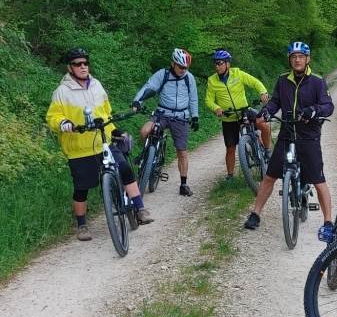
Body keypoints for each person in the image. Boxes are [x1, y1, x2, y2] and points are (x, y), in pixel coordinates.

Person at [46, 48, 152, 241]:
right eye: (78, 64)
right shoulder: (62, 92)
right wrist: (63, 123)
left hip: (103, 141)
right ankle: (82, 225)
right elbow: (53, 116)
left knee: (125, 169)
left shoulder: (97, 86)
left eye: (85, 63)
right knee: (82, 187)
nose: (83, 67)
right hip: (79, 147)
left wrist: (115, 130)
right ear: (70, 68)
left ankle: (140, 208)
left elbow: (106, 114)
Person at [244, 41, 335, 239]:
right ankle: (255, 213)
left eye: (301, 56)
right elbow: (275, 101)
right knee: (270, 176)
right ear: (289, 60)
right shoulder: (283, 80)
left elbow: (328, 106)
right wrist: (266, 112)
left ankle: (328, 222)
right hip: (286, 134)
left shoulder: (317, 81)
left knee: (319, 180)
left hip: (308, 136)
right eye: (294, 57)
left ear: (307, 59)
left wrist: (314, 110)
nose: (297, 60)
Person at [132, 48, 199, 196]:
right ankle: (144, 158)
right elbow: (148, 87)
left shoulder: (189, 78)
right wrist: (137, 101)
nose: (183, 70)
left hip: (180, 117)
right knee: (144, 131)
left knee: (182, 151)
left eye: (186, 67)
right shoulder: (163, 74)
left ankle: (183, 184)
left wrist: (195, 116)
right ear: (173, 64)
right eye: (180, 67)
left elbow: (193, 99)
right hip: (162, 113)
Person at [205, 49, 271, 179]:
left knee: (264, 125)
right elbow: (208, 100)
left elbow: (255, 82)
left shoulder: (237, 73)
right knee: (230, 148)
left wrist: (263, 92)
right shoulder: (212, 80)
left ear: (227, 64)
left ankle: (268, 150)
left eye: (220, 63)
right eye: (215, 63)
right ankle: (230, 176)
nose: (217, 66)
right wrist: (216, 108)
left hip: (244, 111)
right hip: (228, 117)